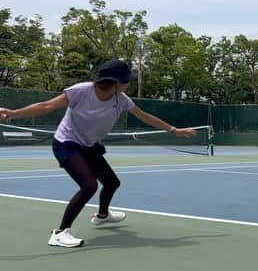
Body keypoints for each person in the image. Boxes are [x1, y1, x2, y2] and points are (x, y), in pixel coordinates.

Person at [0, 59, 196, 248]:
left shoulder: (121, 100)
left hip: (89, 145)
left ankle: (102, 216)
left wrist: (173, 130)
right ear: (117, 83)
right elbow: (46, 106)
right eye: (127, 81)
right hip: (66, 143)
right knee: (89, 185)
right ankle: (60, 233)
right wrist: (14, 113)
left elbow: (144, 116)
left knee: (112, 182)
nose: (128, 84)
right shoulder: (81, 91)